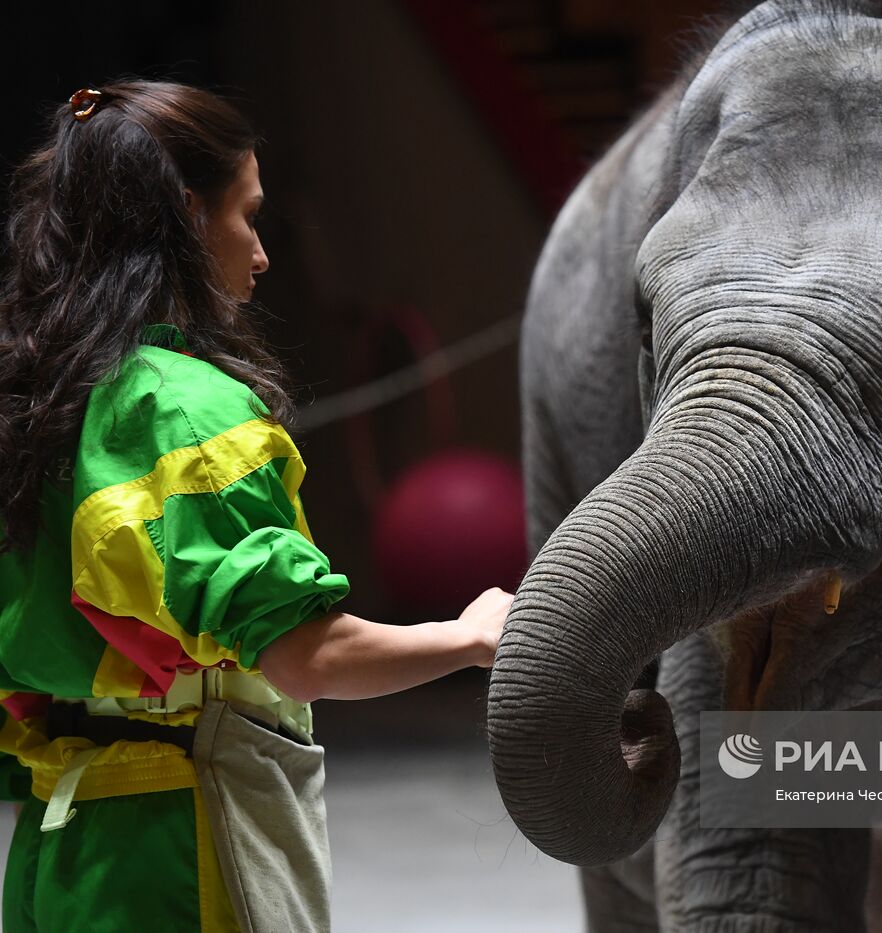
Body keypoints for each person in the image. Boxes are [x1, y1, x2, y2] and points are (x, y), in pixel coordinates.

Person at [0, 80, 512, 932]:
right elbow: (303, 654)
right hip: (184, 849)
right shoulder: (189, 412)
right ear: (186, 217)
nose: (262, 252)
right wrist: (468, 635)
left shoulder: (34, 407)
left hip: (61, 853)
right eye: (248, 214)